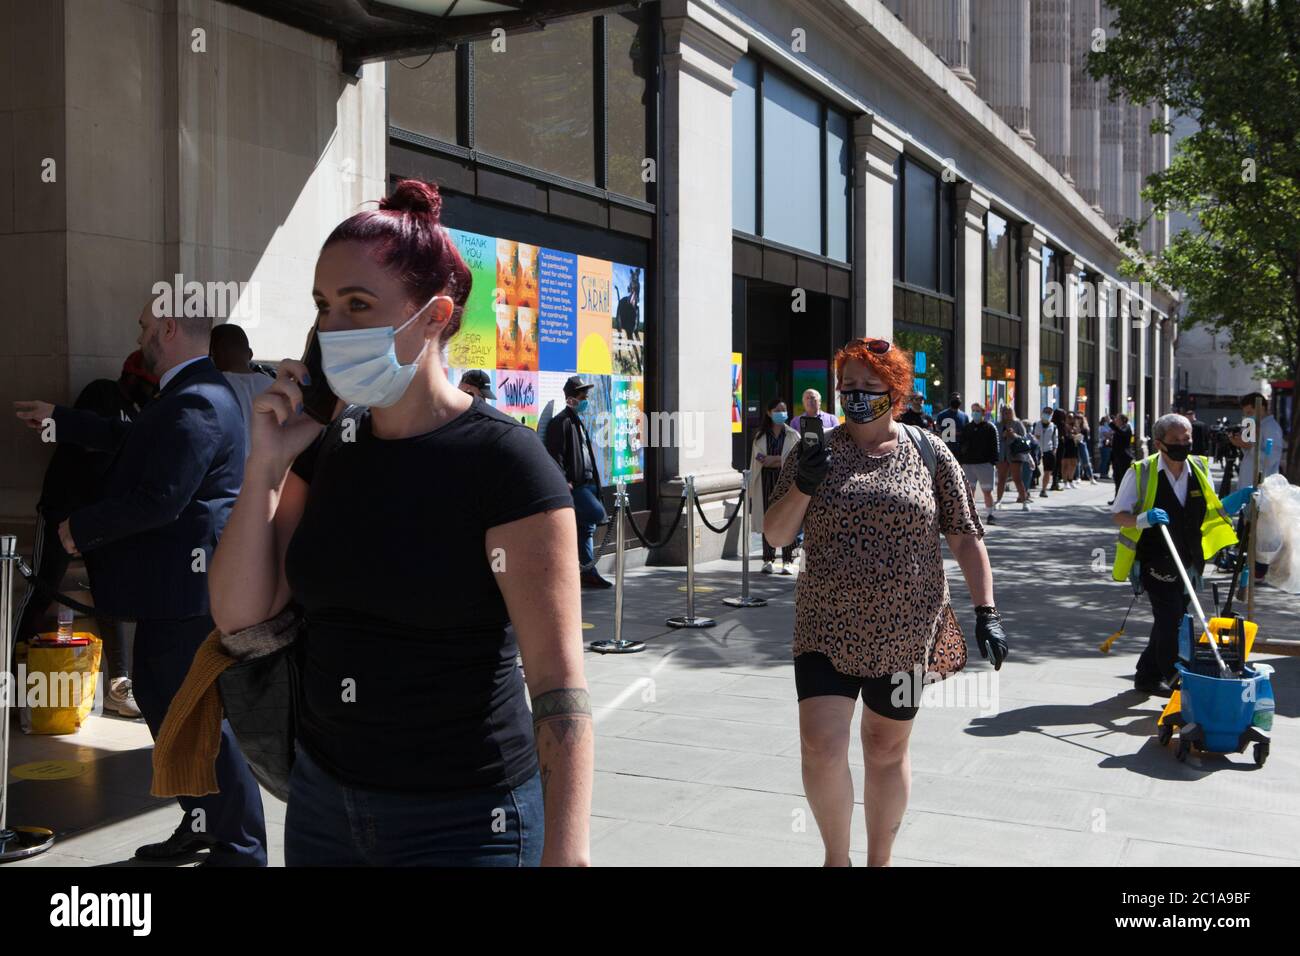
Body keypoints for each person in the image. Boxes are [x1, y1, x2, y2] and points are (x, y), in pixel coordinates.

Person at [208, 179, 593, 866]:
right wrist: (265, 462)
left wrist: (567, 853)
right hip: (325, 804)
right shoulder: (325, 449)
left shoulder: (508, 464)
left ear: (434, 315)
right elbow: (241, 616)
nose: (331, 330)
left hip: (468, 820)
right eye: (324, 307)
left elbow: (558, 684)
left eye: (358, 305)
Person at [15, 301, 266, 866]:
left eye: (147, 326)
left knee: (196, 722)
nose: (142, 334)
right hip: (172, 594)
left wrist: (83, 527)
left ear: (171, 330)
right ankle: (202, 821)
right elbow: (131, 438)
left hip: (186, 596)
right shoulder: (185, 393)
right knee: (170, 711)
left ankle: (240, 849)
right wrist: (60, 418)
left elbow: (163, 497)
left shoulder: (198, 399)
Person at [763, 337, 1007, 867]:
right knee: (820, 747)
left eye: (869, 387)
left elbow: (965, 535)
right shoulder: (814, 449)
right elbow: (777, 534)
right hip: (825, 626)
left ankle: (880, 859)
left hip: (905, 632)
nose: (855, 395)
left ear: (894, 392)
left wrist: (986, 610)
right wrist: (805, 483)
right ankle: (836, 857)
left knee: (885, 747)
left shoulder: (929, 451)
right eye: (847, 385)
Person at [12, 351, 158, 718]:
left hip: (100, 518)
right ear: (132, 377)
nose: (151, 391)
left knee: (109, 597)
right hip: (65, 508)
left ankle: (118, 684)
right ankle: (8, 674)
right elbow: (88, 437)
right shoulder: (103, 392)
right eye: (148, 384)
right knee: (42, 587)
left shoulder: (143, 414)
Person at [1111, 413, 1245, 693]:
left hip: (1188, 560)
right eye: (1176, 440)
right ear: (1160, 443)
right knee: (1172, 620)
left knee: (1168, 618)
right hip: (1154, 560)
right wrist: (1142, 518)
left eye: (1188, 439)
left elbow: (1211, 506)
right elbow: (1118, 515)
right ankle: (1173, 678)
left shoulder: (1198, 468)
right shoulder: (1142, 471)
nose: (1184, 445)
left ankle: (1146, 675)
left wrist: (1236, 503)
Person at [545, 375, 611, 589]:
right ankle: (582, 569)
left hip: (589, 482)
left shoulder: (577, 421)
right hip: (577, 484)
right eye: (583, 396)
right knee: (595, 515)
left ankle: (587, 570)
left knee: (587, 529)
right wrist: (565, 480)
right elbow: (555, 455)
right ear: (572, 398)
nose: (586, 400)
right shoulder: (561, 422)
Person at [750, 398, 801, 574]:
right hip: (766, 481)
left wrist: (775, 460)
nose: (781, 413)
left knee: (788, 517)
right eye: (778, 410)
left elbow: (793, 461)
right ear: (769, 413)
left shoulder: (793, 435)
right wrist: (778, 460)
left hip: (786, 482)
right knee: (768, 518)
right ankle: (768, 558)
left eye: (784, 410)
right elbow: (760, 459)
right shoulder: (760, 437)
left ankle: (788, 559)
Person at [210, 323, 275, 458]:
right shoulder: (274, 386)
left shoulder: (209, 387)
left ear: (215, 354)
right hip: (270, 474)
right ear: (250, 354)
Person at [1230, 392, 1284, 490]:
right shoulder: (1252, 425)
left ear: (1261, 408)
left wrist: (1250, 447)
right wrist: (1240, 443)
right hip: (1248, 481)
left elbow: (1272, 459)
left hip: (1262, 484)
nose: (1247, 416)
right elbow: (1247, 452)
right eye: (1245, 413)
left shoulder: (1271, 428)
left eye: (1250, 413)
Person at [959, 401, 1000, 524]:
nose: (975, 413)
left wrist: (993, 461)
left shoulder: (990, 427)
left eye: (978, 411)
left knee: (987, 491)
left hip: (985, 464)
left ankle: (990, 514)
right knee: (969, 491)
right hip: (969, 464)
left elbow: (995, 446)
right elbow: (962, 445)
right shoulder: (967, 428)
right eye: (973, 411)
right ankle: (971, 516)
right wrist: (962, 459)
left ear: (983, 412)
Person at [996, 406, 1032, 512]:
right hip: (1002, 454)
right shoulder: (998, 425)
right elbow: (995, 438)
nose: (1007, 414)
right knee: (1001, 478)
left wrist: (1014, 435)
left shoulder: (1018, 423)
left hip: (1015, 454)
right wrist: (1003, 435)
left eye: (1009, 412)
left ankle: (1024, 501)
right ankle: (998, 501)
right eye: (1005, 412)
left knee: (1017, 478)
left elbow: (1025, 438)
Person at [1032, 407, 1059, 497]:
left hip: (1048, 450)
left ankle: (1043, 490)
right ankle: (1028, 488)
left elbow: (1055, 440)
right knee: (1034, 470)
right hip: (1037, 450)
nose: (1046, 414)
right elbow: (1033, 437)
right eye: (1045, 412)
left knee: (1047, 471)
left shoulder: (1053, 426)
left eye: (1049, 413)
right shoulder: (1036, 424)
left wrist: (1054, 449)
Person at [933, 392, 968, 460]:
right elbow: (937, 432)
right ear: (950, 400)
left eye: (957, 399)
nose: (956, 400)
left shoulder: (964, 416)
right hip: (944, 450)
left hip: (959, 452)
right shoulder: (941, 415)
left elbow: (966, 433)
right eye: (954, 399)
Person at [1108, 413, 1134, 503]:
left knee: (1124, 479)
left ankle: (1125, 500)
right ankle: (1117, 499)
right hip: (1116, 457)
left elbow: (1122, 434)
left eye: (1117, 419)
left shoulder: (1126, 427)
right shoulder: (1119, 429)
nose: (1115, 420)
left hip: (1124, 457)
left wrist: (1111, 424)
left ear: (1123, 420)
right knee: (1117, 478)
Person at [1057, 411, 1079, 488]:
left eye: (1072, 417)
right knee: (1065, 465)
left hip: (1074, 446)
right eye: (1069, 417)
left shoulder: (1075, 427)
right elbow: (1063, 436)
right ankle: (1065, 482)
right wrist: (1070, 435)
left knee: (1073, 464)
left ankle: (1071, 480)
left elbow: (1078, 435)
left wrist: (1076, 436)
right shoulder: (1064, 426)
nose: (1071, 419)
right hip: (1066, 446)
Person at [1098, 413, 1114, 480]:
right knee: (1105, 460)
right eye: (1107, 420)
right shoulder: (1102, 427)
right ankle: (1103, 473)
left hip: (1109, 445)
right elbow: (1107, 435)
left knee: (1108, 461)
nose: (1108, 421)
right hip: (1104, 445)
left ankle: (1106, 473)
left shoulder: (1109, 427)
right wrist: (1111, 433)